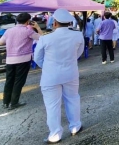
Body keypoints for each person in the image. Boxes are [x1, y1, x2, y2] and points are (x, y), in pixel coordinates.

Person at [33, 9, 84, 144]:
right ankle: (75, 126)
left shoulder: (45, 38)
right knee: (73, 99)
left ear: (54, 23)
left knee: (52, 105)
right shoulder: (78, 35)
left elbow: (37, 58)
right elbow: (78, 53)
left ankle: (55, 134)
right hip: (71, 73)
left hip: (50, 76)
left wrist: (48, 67)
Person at [0, 12, 42, 109]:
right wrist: (38, 28)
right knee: (19, 81)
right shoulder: (28, 31)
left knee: (9, 81)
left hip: (10, 59)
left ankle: (6, 102)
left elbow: (1, 42)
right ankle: (14, 102)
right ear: (28, 21)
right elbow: (42, 39)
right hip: (23, 59)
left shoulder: (9, 31)